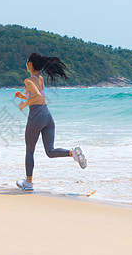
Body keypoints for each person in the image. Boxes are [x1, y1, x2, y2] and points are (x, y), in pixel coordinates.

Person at [14, 53, 87, 191]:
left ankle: (28, 183)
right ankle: (72, 153)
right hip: (47, 116)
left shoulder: (28, 81)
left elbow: (36, 95)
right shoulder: (40, 79)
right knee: (50, 151)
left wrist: (23, 105)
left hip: (36, 116)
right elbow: (38, 96)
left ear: (30, 64)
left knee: (29, 151)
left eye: (26, 61)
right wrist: (22, 96)